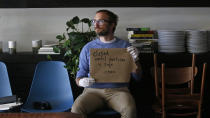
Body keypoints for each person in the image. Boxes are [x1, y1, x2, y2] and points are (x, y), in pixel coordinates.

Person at [71, 9, 141, 118]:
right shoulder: (88, 47)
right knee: (76, 108)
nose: (96, 25)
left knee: (130, 109)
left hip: (119, 91)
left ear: (112, 24)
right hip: (92, 91)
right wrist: (81, 82)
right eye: (94, 21)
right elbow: (79, 76)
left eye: (101, 21)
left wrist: (135, 61)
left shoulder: (125, 46)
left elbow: (137, 77)